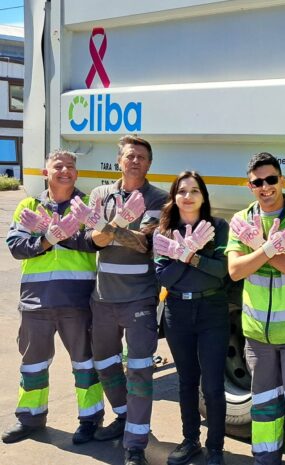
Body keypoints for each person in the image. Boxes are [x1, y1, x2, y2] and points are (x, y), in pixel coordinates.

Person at [71, 135, 168, 465]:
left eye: (142, 156)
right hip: (102, 299)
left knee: (139, 370)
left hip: (139, 299)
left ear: (149, 163)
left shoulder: (160, 198)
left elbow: (145, 243)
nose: (135, 161)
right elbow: (95, 240)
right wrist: (120, 224)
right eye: (130, 156)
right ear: (119, 160)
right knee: (106, 364)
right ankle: (125, 416)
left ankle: (136, 444)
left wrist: (111, 230)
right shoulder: (100, 194)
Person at [226, 152, 285, 465]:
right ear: (249, 185)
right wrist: (269, 248)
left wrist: (258, 249)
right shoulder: (241, 221)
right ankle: (264, 460)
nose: (265, 187)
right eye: (258, 182)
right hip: (257, 336)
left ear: (282, 180)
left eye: (271, 179)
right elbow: (235, 271)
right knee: (264, 407)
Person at [3, 150, 105, 444]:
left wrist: (65, 236)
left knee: (85, 364)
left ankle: (90, 421)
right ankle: (31, 420)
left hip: (78, 301)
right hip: (36, 301)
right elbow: (15, 245)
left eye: (70, 166)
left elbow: (95, 244)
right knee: (33, 364)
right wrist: (48, 239)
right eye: (58, 166)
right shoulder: (28, 204)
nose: (65, 170)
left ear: (77, 173)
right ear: (46, 172)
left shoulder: (87, 205)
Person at [154, 171, 229, 465]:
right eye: (182, 191)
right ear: (174, 197)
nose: (188, 196)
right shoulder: (164, 233)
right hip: (177, 311)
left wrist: (190, 255)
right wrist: (184, 254)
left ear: (203, 197)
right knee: (187, 381)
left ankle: (216, 448)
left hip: (212, 310)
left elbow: (222, 272)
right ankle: (190, 440)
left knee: (212, 384)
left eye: (194, 190)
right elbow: (164, 277)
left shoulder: (218, 227)